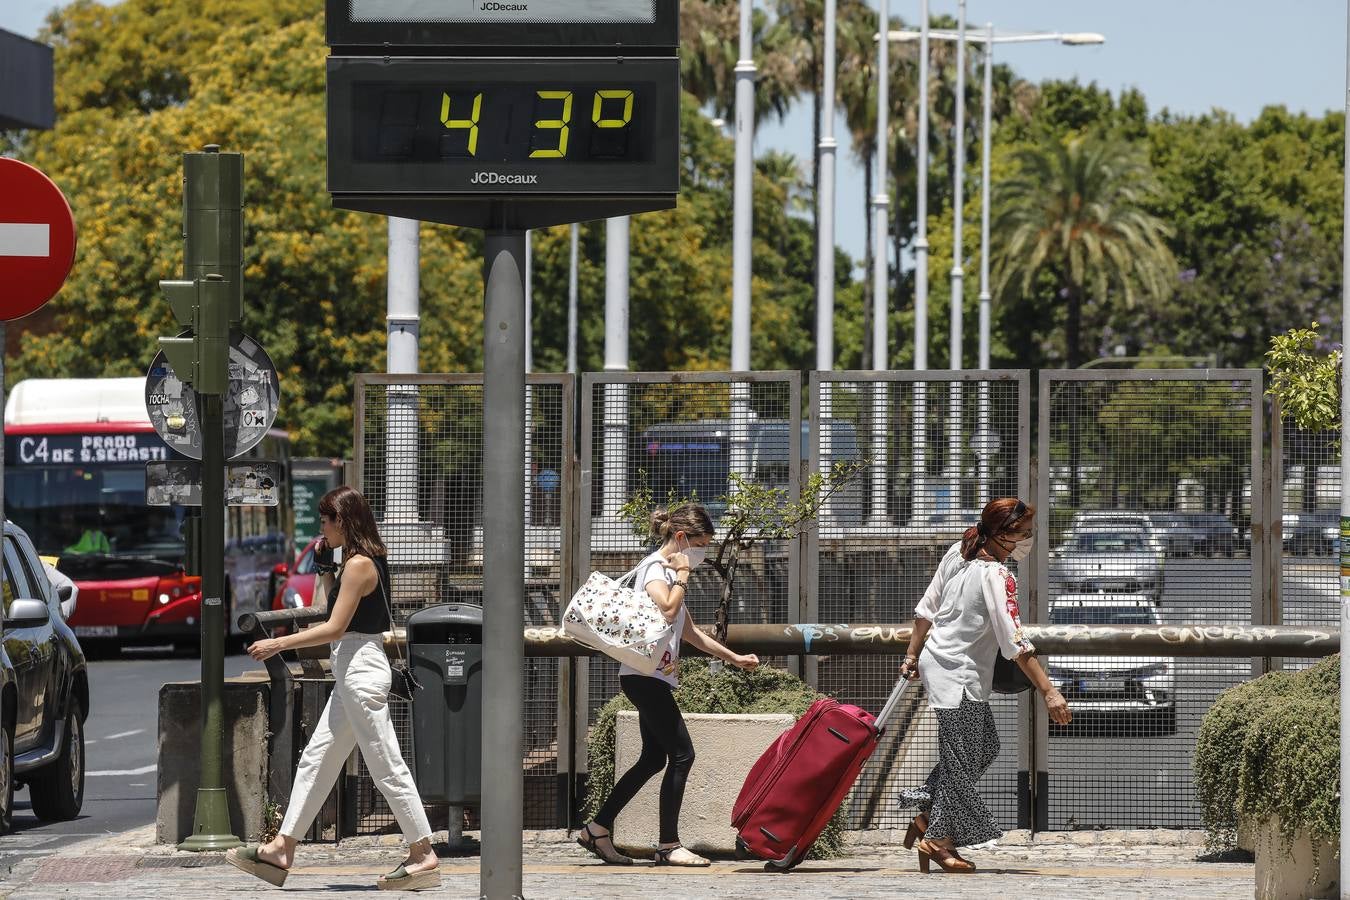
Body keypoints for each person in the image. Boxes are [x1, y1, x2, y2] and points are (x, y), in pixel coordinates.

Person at [226, 486, 439, 891]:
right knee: (317, 760)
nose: (321, 527)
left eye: (325, 519)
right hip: (351, 674)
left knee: (386, 765)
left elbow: (335, 627)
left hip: (360, 671)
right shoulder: (357, 561)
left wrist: (279, 642)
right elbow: (330, 608)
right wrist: (325, 567)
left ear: (342, 520)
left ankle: (423, 854)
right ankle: (282, 848)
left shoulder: (360, 564)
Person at [577, 503, 760, 867]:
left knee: (651, 760)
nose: (703, 552)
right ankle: (667, 845)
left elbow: (689, 632)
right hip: (645, 679)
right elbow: (668, 609)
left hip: (650, 677)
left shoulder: (666, 570)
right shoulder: (656, 570)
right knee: (682, 754)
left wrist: (735, 658)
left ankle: (597, 829)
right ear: (681, 538)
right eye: (701, 544)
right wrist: (682, 575)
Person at [897, 498, 1072, 874]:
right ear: (1004, 535)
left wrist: (913, 656)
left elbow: (925, 609)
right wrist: (1049, 691)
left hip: (945, 666)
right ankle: (939, 840)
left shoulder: (958, 553)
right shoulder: (997, 576)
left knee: (984, 747)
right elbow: (1014, 642)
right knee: (961, 759)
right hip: (956, 674)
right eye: (1024, 534)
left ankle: (928, 813)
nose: (1027, 540)